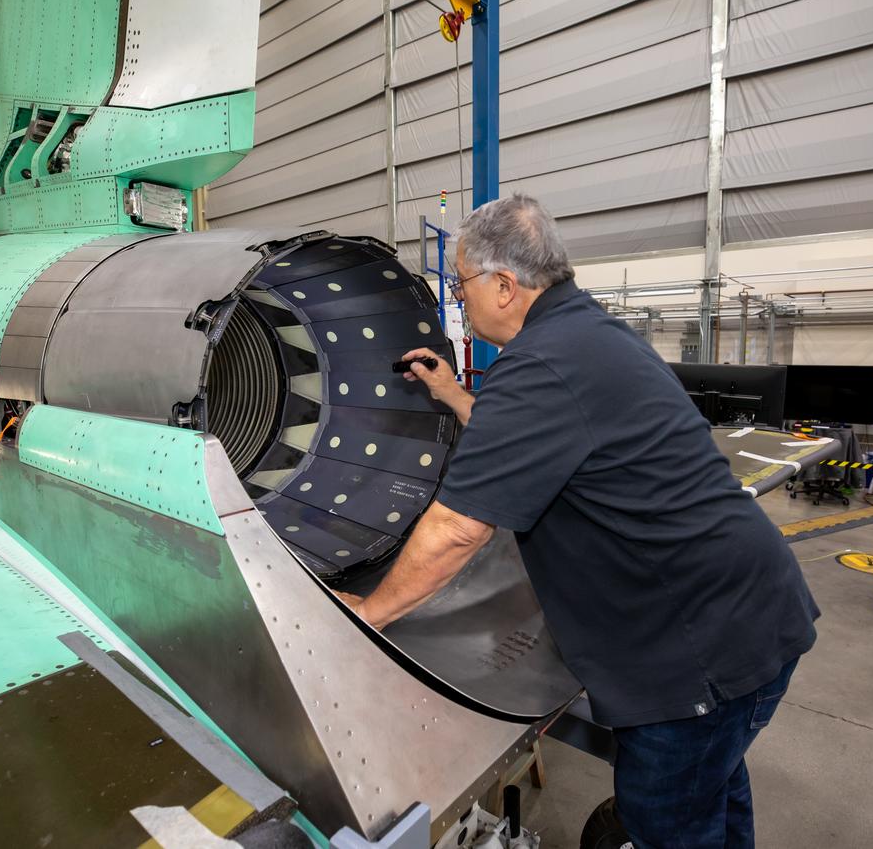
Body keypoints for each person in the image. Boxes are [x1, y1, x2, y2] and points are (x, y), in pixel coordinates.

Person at [336, 194, 818, 848]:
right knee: (716, 790)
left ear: (504, 286)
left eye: (460, 283)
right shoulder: (584, 334)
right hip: (750, 618)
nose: (459, 298)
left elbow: (456, 528)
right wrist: (451, 394)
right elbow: (535, 439)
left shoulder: (540, 366)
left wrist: (368, 615)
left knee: (670, 825)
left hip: (697, 660)